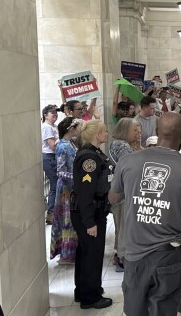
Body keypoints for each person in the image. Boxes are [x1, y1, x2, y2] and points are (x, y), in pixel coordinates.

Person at [109, 112, 181, 316]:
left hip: (135, 254)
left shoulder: (128, 161)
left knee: (134, 310)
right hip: (168, 255)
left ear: (156, 131)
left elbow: (113, 198)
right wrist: (169, 214)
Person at [70, 120, 113, 309]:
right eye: (104, 131)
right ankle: (91, 297)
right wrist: (89, 222)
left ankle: (84, 290)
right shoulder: (90, 159)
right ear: (98, 135)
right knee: (92, 255)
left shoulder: (93, 153)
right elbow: (86, 192)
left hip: (91, 212)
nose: (106, 133)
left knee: (86, 252)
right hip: (89, 213)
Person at [109, 118, 142, 272]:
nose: (138, 133)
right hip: (122, 194)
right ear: (125, 130)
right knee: (123, 227)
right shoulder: (121, 146)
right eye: (135, 130)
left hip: (122, 192)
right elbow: (131, 167)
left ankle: (120, 254)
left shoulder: (123, 144)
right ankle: (122, 258)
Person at [50, 117, 83, 265]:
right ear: (71, 129)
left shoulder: (71, 144)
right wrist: (78, 178)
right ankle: (66, 253)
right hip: (66, 189)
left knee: (71, 219)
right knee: (66, 220)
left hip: (72, 188)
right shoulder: (63, 147)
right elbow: (61, 171)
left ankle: (71, 251)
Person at [42, 104, 60, 225]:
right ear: (45, 115)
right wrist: (63, 138)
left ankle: (53, 212)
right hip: (49, 157)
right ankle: (51, 213)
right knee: (55, 185)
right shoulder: (47, 127)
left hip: (53, 158)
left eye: (56, 112)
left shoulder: (54, 127)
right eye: (52, 112)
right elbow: (52, 146)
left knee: (56, 184)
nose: (55, 114)